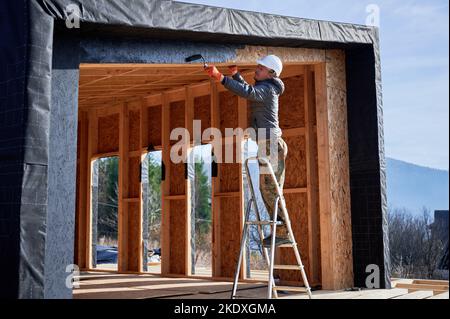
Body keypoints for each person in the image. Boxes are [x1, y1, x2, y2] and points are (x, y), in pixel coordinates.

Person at [205, 55, 291, 247]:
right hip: (267, 145)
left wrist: (221, 77)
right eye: (257, 67)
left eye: (260, 68)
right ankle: (280, 230)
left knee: (271, 190)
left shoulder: (268, 89)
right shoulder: (265, 88)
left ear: (271, 73)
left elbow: (248, 92)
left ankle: (283, 232)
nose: (256, 70)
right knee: (267, 189)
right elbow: (250, 90)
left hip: (271, 145)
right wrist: (235, 75)